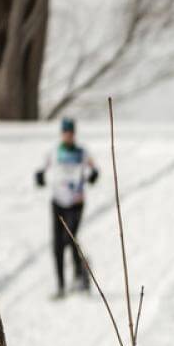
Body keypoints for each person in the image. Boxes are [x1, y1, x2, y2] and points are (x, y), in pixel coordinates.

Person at [33, 118, 100, 299]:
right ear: (62, 133)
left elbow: (94, 169)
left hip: (76, 202)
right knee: (57, 245)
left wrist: (94, 175)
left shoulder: (82, 152)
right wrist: (39, 176)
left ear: (74, 134)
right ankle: (61, 286)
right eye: (65, 132)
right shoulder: (54, 151)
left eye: (70, 132)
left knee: (70, 239)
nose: (68, 135)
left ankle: (81, 274)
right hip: (57, 202)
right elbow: (42, 169)